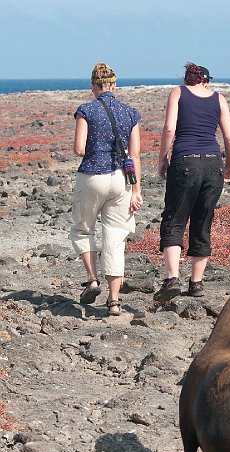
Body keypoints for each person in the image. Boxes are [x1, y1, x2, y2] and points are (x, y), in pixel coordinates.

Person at [154, 62, 230, 301]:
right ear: (206, 81)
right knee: (203, 220)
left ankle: (172, 279)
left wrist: (162, 159)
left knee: (174, 218)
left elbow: (169, 129)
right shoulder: (219, 99)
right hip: (213, 164)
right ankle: (196, 283)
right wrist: (229, 166)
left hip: (185, 161)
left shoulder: (178, 93)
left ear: (187, 79)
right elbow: (229, 138)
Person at [71, 62, 143, 315]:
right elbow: (134, 154)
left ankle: (92, 279)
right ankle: (114, 302)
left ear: (93, 86)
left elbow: (79, 149)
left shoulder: (86, 110)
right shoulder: (130, 113)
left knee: (83, 229)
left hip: (92, 175)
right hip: (121, 180)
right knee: (115, 237)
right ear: (115, 84)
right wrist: (136, 190)